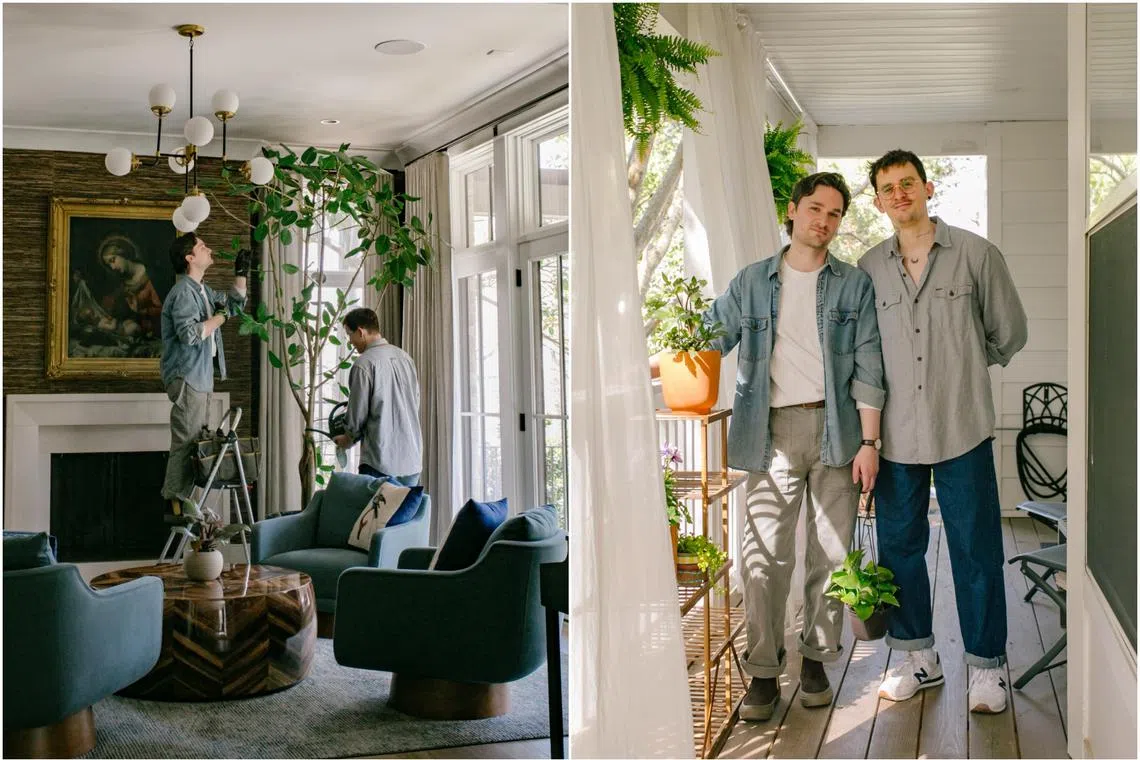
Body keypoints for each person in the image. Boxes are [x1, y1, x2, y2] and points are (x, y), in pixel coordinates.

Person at [670, 172, 886, 720]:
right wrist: (648, 360)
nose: (825, 222)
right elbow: (707, 338)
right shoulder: (751, 282)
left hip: (837, 431)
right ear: (792, 211)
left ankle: (815, 661)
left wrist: (869, 441)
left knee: (830, 555)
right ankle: (763, 672)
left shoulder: (853, 284)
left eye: (835, 214)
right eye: (816, 209)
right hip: (769, 433)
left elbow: (868, 366)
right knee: (762, 559)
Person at [858, 149, 1028, 714]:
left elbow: (1009, 333)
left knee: (975, 549)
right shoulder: (869, 268)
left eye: (907, 183)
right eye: (887, 188)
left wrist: (963, 366)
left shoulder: (977, 254)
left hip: (963, 426)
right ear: (879, 201)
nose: (899, 194)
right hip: (897, 436)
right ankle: (917, 659)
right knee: (899, 548)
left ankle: (986, 668)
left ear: (928, 188)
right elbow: (865, 358)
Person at [160, 233, 250, 517]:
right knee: (187, 443)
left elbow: (233, 306)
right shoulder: (184, 293)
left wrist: (241, 275)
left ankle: (185, 505)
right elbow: (189, 335)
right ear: (190, 258)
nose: (208, 249)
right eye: (202, 247)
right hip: (187, 376)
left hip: (200, 376)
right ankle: (177, 504)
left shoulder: (201, 290)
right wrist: (219, 318)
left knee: (195, 442)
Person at [332, 307, 422, 487]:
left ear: (360, 332)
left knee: (373, 516)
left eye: (350, 335)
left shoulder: (363, 364)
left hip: (379, 463)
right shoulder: (405, 358)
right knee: (404, 515)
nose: (350, 342)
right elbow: (415, 402)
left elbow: (357, 416)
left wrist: (346, 440)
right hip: (412, 461)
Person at [98, 234, 162, 339]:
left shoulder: (151, 276)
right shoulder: (123, 284)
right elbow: (122, 311)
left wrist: (140, 312)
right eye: (109, 265)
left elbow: (162, 309)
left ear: (123, 253)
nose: (112, 267)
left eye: (113, 260)